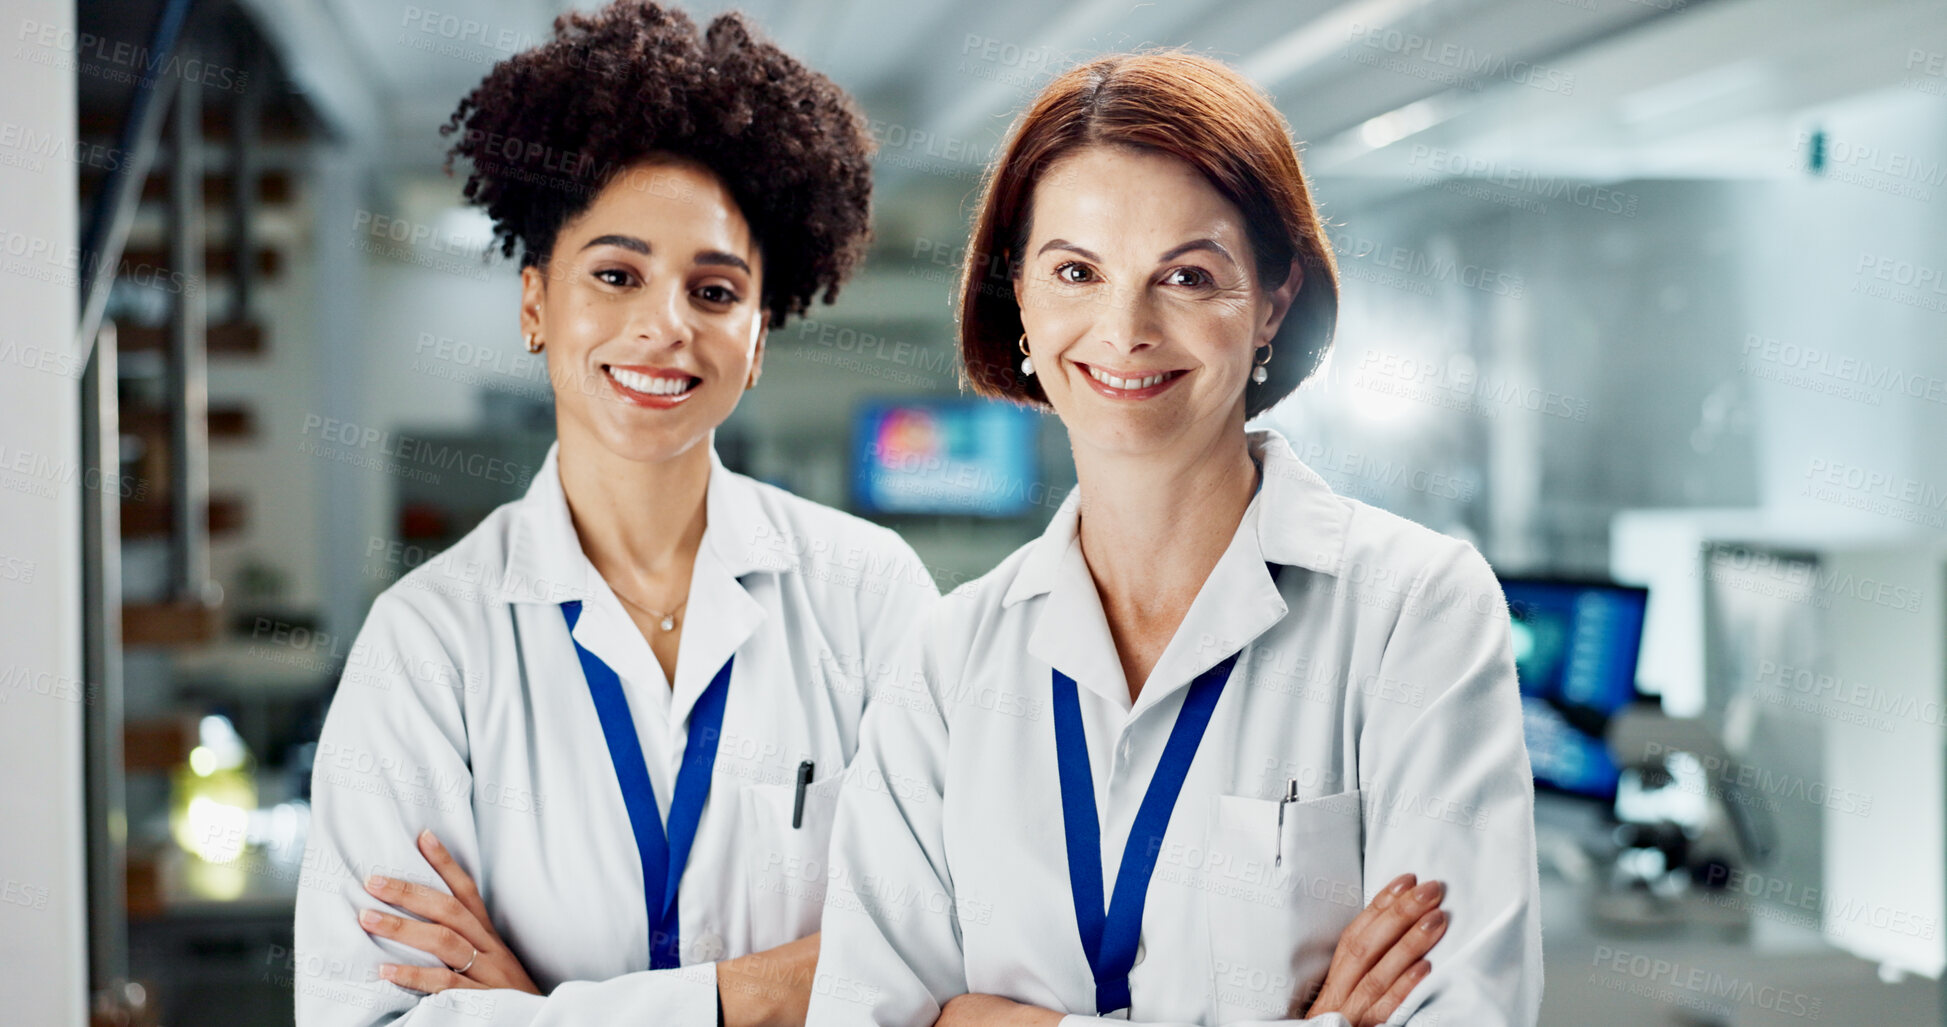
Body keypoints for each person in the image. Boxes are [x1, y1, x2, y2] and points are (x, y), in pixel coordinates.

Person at [807, 51, 1542, 1027]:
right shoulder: (944, 667)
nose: (1124, 328)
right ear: (1018, 295)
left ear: (1274, 300)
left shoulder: (1415, 611)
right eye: (1076, 271)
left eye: (1188, 276)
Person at [293, 4, 937, 1025]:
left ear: (759, 336)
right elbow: (369, 1015)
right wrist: (756, 995)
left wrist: (541, 1008)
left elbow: (947, 956)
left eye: (715, 290)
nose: (665, 326)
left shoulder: (870, 593)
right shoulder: (427, 646)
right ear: (537, 302)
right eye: (617, 273)